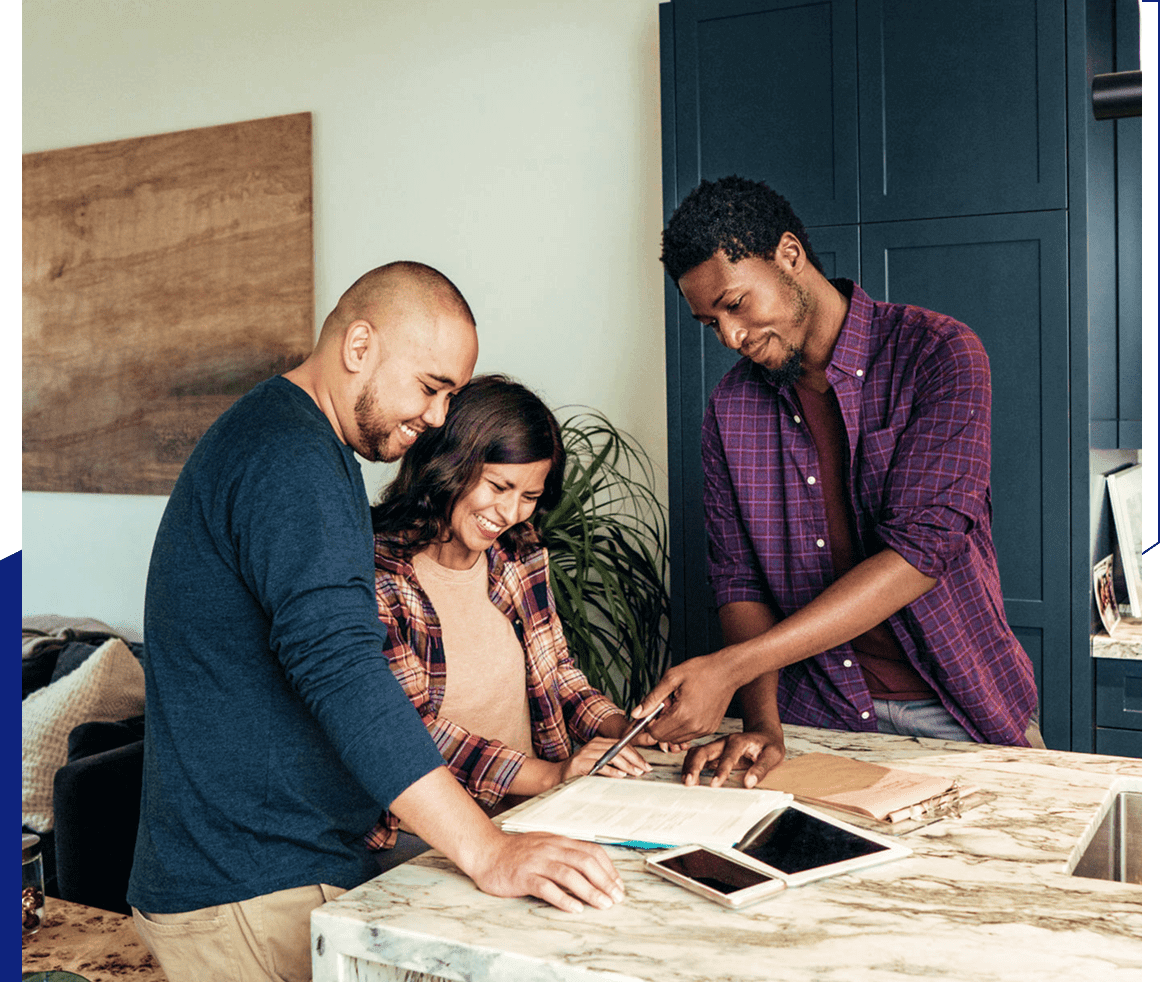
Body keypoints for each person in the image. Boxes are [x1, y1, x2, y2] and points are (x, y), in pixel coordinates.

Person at [127, 263, 624, 982]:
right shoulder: (292, 458)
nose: (437, 417)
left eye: (451, 395)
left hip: (262, 872)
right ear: (359, 346)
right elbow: (344, 672)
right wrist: (488, 850)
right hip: (254, 886)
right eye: (431, 387)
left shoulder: (287, 442)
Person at [636, 177, 1043, 787]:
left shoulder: (939, 354)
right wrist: (764, 725)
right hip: (818, 722)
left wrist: (730, 668)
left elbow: (919, 553)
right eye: (708, 322)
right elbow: (740, 579)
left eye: (736, 304)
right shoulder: (729, 409)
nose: (730, 337)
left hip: (965, 709)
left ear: (790, 256)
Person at [362, 374, 654, 863]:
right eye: (499, 486)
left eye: (530, 496)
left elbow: (557, 671)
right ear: (448, 462)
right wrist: (551, 774)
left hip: (531, 817)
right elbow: (411, 733)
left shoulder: (519, 556)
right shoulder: (375, 574)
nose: (511, 512)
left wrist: (619, 727)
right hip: (426, 843)